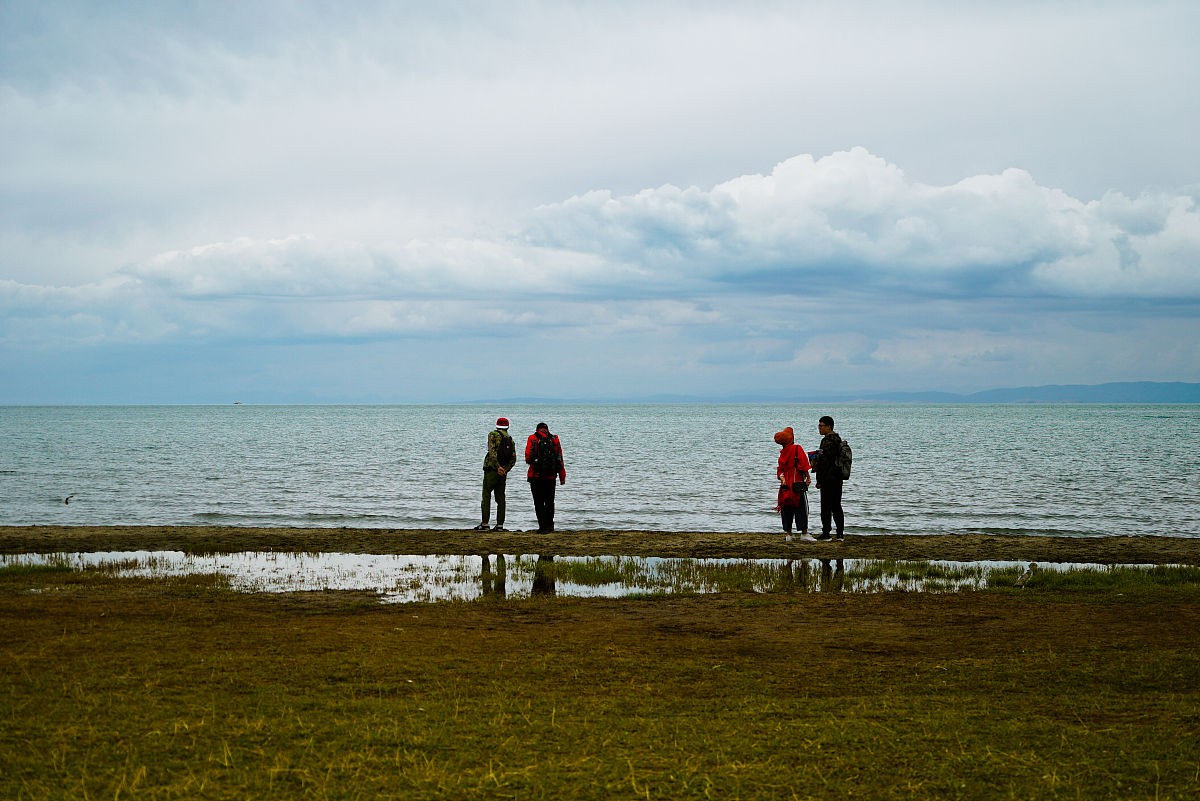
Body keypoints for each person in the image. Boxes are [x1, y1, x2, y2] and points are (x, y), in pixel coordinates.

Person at [474, 417, 517, 532]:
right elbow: (513, 459)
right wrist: (505, 470)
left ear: (497, 426)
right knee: (501, 498)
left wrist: (498, 467)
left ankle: (485, 523)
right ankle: (499, 525)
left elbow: (492, 454)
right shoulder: (510, 439)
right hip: (503, 473)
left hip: (491, 470)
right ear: (508, 427)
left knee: (486, 496)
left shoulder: (492, 435)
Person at [525, 422, 566, 533]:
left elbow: (528, 457)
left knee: (538, 502)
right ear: (547, 429)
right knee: (549, 501)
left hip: (535, 475)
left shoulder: (532, 438)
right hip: (551, 476)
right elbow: (559, 457)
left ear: (537, 429)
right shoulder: (555, 439)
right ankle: (550, 525)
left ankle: (542, 526)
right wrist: (562, 476)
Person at [773, 427, 811, 541]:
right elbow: (803, 465)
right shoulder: (797, 448)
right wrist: (808, 478)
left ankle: (788, 534)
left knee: (786, 507)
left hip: (785, 485)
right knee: (801, 508)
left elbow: (780, 470)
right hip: (797, 483)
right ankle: (804, 533)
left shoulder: (782, 453)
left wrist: (783, 479)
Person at [813, 415, 846, 541]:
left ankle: (826, 533)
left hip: (828, 478)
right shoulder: (838, 439)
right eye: (819, 426)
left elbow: (824, 462)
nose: (819, 428)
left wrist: (819, 480)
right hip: (838, 477)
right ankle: (840, 534)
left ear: (828, 426)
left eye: (821, 426)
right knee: (837, 505)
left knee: (826, 507)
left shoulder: (826, 441)